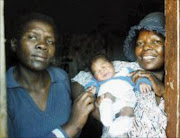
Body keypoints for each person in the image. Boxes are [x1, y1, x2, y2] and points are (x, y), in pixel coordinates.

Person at [71, 12, 167, 137]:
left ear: (170, 46)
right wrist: (95, 109)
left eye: (156, 41)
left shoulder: (174, 80)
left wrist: (165, 91)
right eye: (140, 43)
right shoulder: (124, 68)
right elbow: (78, 80)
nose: (146, 48)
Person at [6, 12, 95, 138]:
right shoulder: (5, 94)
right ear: (14, 44)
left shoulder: (61, 78)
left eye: (50, 41)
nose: (43, 45)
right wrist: (72, 126)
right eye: (32, 37)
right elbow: (75, 125)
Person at [85, 54, 152, 137]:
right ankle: (106, 113)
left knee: (128, 110)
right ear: (95, 77)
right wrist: (91, 89)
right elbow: (90, 85)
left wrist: (142, 83)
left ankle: (122, 123)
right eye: (97, 71)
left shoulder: (124, 72)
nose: (102, 71)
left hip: (126, 99)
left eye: (104, 66)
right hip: (108, 100)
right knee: (107, 96)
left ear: (112, 64)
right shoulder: (98, 82)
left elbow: (138, 77)